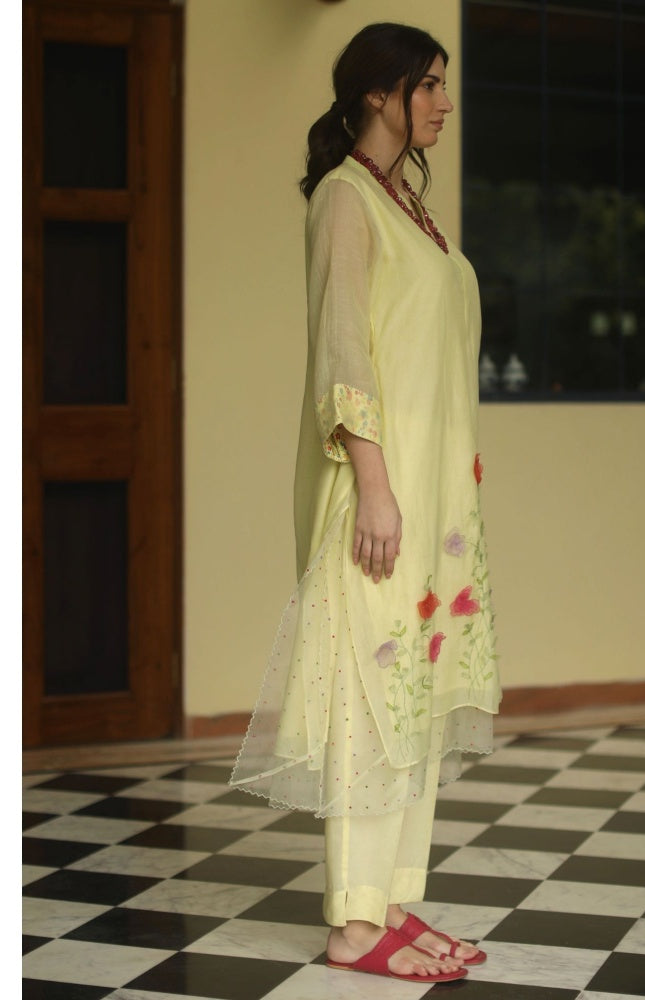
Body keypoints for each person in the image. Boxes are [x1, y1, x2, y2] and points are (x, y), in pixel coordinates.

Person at [229, 22, 501, 983]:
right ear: (377, 94)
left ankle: (387, 901)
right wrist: (376, 490)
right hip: (376, 492)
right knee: (369, 696)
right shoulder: (346, 198)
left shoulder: (405, 205)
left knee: (411, 694)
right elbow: (345, 353)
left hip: (430, 494)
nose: (443, 102)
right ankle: (352, 924)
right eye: (428, 85)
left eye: (443, 84)